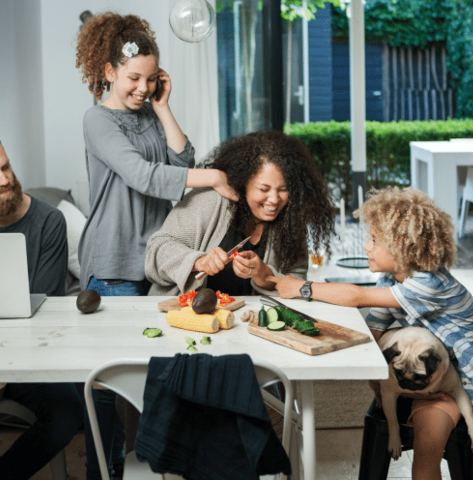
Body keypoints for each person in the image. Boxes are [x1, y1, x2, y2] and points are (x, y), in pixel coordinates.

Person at [75, 12, 238, 480]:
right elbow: (145, 176)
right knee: (108, 393)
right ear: (108, 71)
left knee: (161, 382)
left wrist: (164, 107)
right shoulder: (97, 120)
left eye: (150, 79)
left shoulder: (149, 113)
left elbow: (180, 159)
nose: (142, 87)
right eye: (133, 78)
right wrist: (214, 176)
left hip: (158, 263)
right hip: (114, 266)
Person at [269, 186, 473, 480]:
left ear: (403, 249)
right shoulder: (390, 279)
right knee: (425, 461)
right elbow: (372, 337)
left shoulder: (428, 284)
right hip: (438, 380)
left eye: (374, 241)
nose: (367, 247)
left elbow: (357, 297)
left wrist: (303, 288)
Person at [145, 130, 336, 296]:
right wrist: (199, 262)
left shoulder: (291, 219)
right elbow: (157, 250)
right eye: (264, 189)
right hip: (183, 315)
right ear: (244, 183)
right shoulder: (210, 200)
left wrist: (264, 274)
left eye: (283, 189)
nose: (274, 199)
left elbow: (297, 279)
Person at [0, 141, 83, 480]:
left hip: (30, 355)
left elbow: (42, 310)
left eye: (5, 167)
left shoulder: (48, 221)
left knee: (68, 413)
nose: (5, 180)